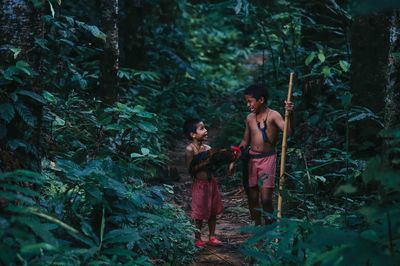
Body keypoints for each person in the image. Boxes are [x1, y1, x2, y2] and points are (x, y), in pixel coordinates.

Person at [239, 84, 294, 225]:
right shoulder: (250, 118)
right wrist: (235, 156)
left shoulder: (273, 115)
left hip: (267, 160)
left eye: (250, 101)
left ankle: (269, 226)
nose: (248, 105)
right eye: (247, 102)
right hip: (251, 159)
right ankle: (257, 224)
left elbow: (288, 132)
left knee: (266, 198)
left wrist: (289, 113)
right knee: (252, 197)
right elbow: (245, 140)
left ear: (261, 100)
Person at [183, 118, 238, 247]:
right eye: (202, 128)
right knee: (199, 214)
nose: (206, 130)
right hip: (200, 185)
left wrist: (229, 159)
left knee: (213, 212)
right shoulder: (190, 149)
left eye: (205, 127)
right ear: (193, 134)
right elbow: (191, 170)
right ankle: (198, 238)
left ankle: (212, 236)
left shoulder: (208, 148)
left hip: (211, 183)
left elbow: (215, 164)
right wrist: (208, 159)